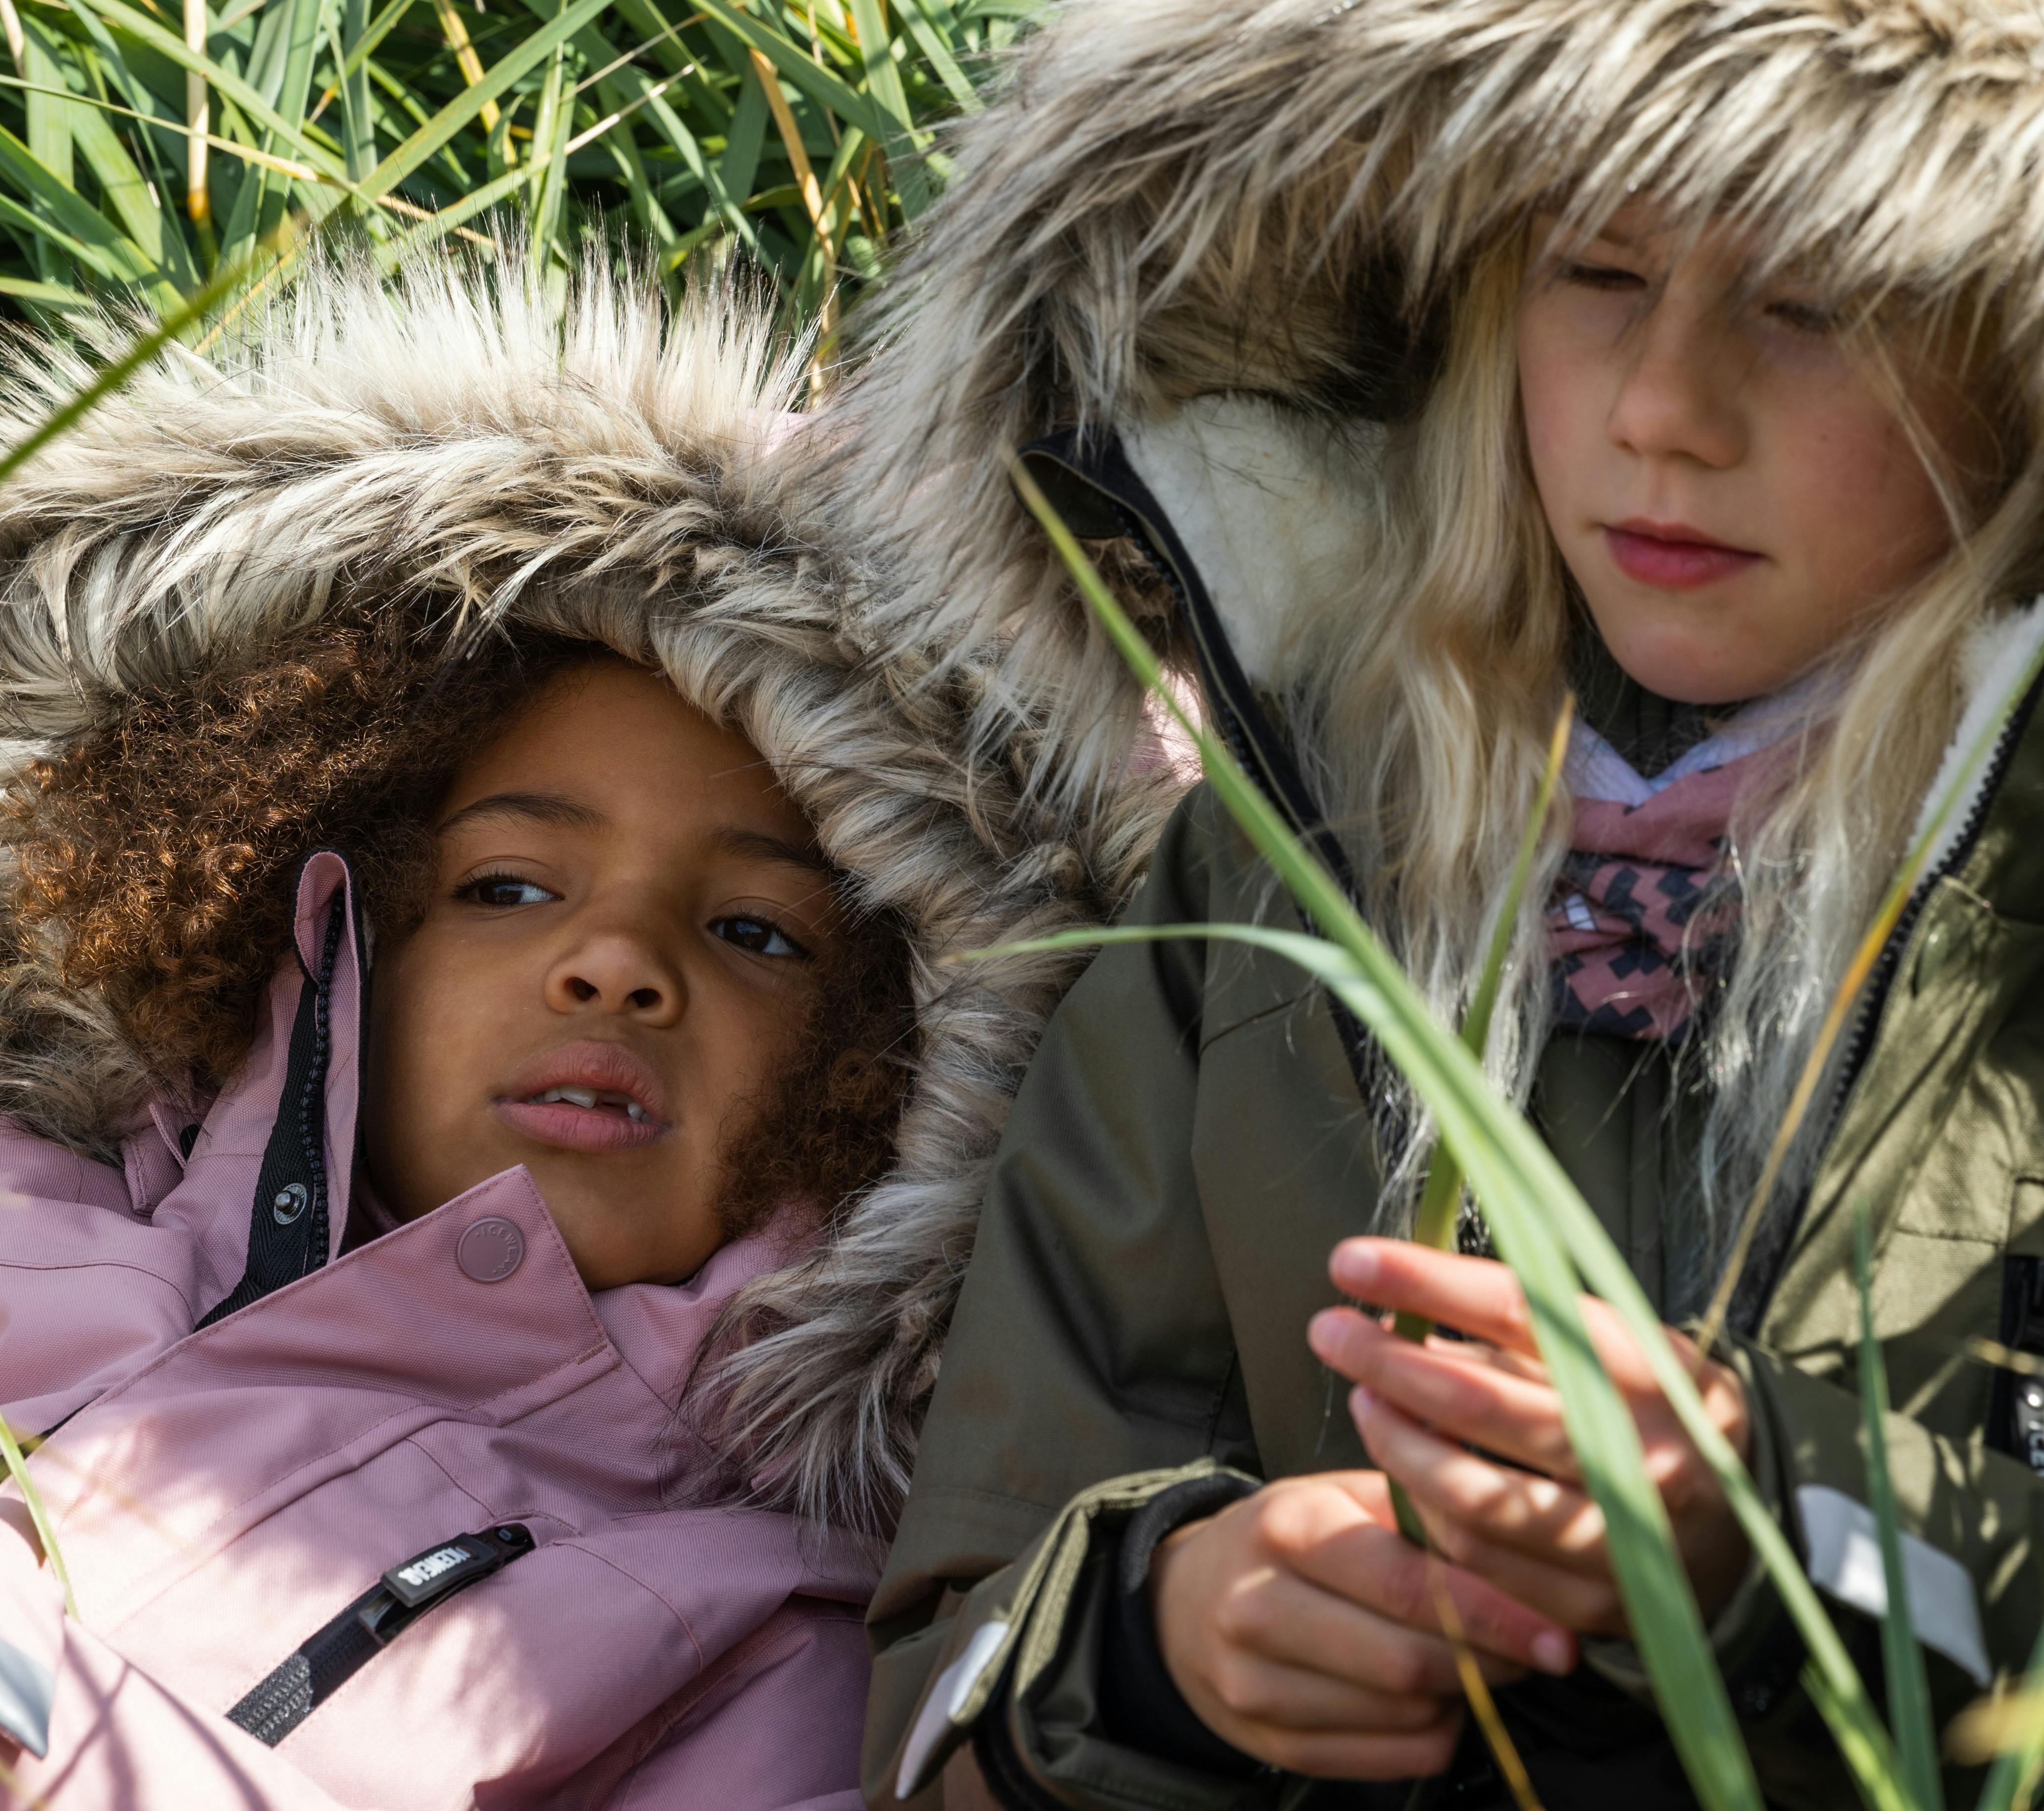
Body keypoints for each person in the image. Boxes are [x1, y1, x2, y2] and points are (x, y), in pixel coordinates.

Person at [0, 258, 1105, 1811]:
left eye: (753, 931)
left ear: (908, 1064)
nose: (613, 966)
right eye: (505, 889)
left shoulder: (766, 1613)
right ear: (339, 921)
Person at [835, 1, 2044, 1806]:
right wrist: (1166, 1644)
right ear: (1479, 308)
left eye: (1815, 297)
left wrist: (1775, 1533)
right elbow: (952, 1667)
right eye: (1598, 274)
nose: (1663, 412)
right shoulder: (1267, 873)